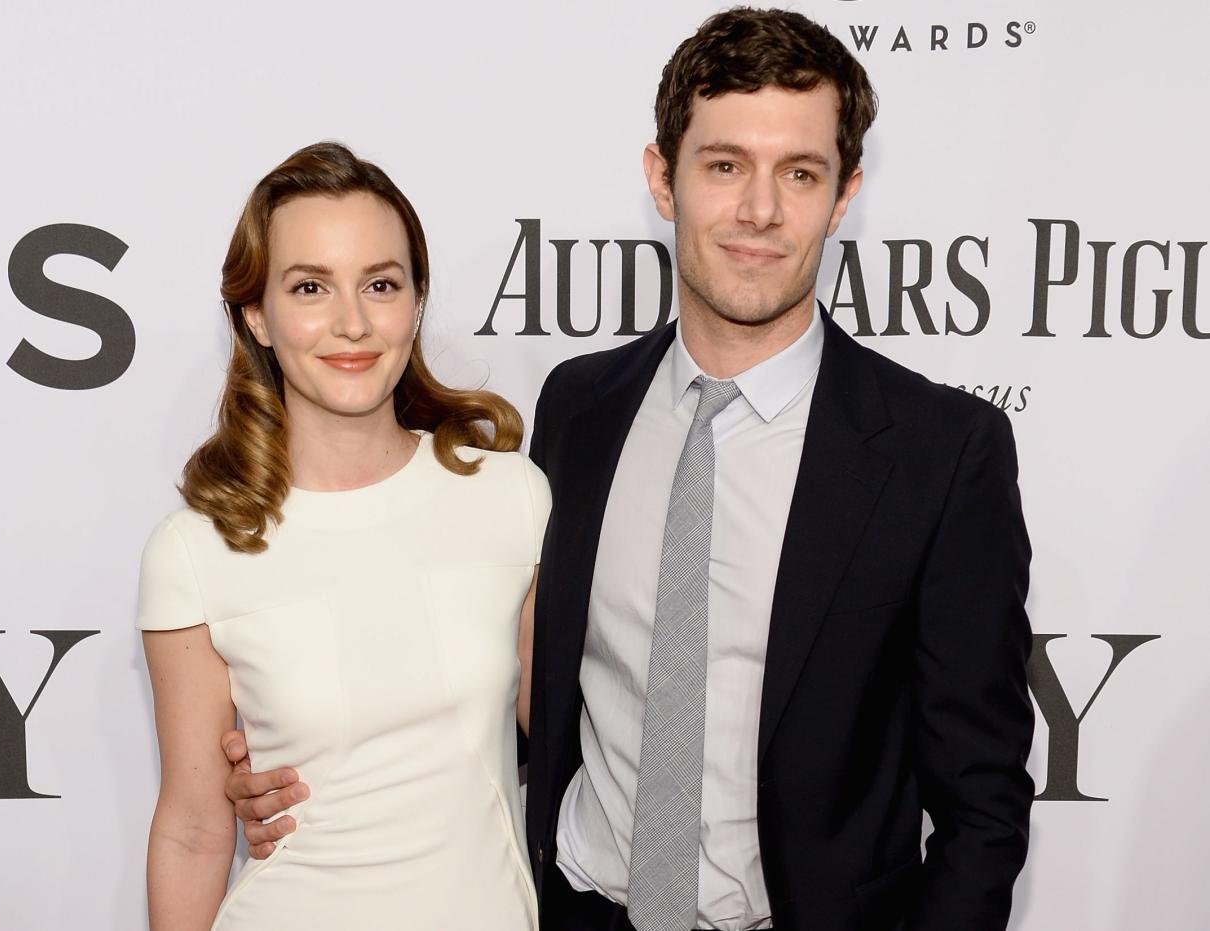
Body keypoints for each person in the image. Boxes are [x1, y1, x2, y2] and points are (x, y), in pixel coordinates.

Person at [226, 8, 1035, 931]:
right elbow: (494, 668)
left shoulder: (942, 450)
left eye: (799, 174)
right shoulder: (581, 410)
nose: (760, 210)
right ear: (663, 177)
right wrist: (305, 758)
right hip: (577, 908)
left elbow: (984, 801)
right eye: (724, 165)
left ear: (843, 194)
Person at [137, 142, 549, 930]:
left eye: (381, 284)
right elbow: (192, 829)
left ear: (418, 300)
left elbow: (575, 741)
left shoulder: (512, 499)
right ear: (256, 312)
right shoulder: (195, 549)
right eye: (310, 287)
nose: (352, 322)